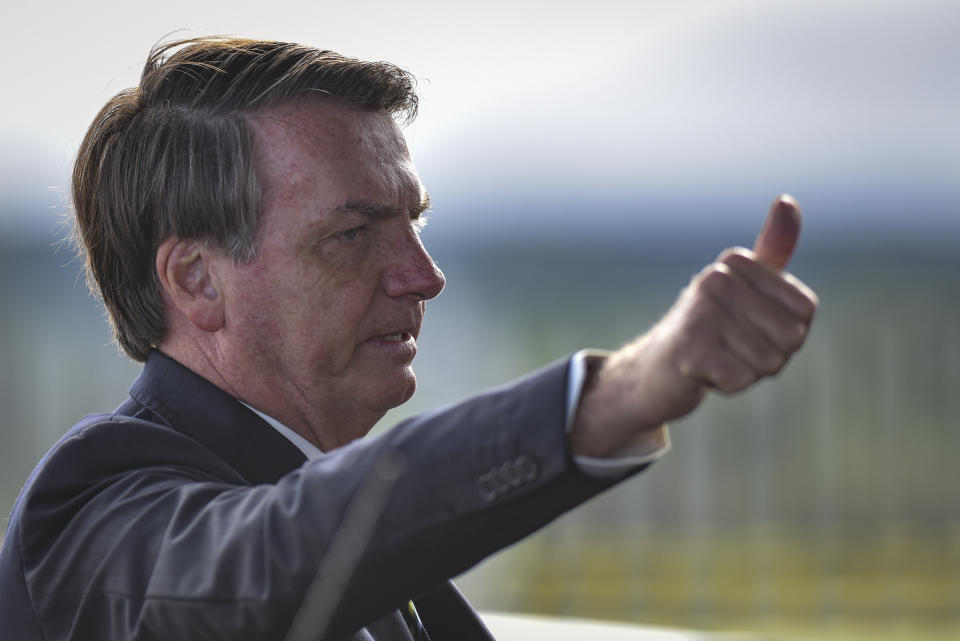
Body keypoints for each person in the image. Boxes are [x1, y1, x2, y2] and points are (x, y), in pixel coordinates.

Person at [0, 37, 818, 641]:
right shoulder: (92, 511)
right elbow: (275, 555)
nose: (423, 277)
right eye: (353, 235)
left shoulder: (361, 540)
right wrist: (625, 391)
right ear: (196, 281)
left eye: (413, 223)